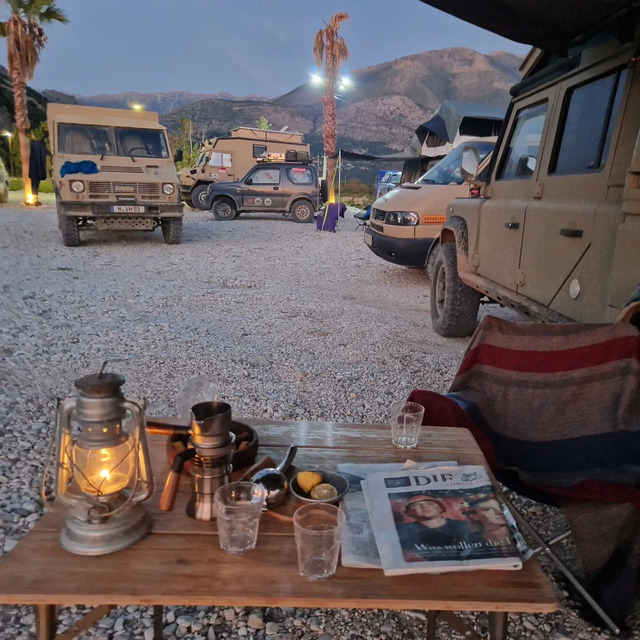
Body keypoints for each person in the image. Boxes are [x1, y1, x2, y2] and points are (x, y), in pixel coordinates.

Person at [396, 494, 474, 551]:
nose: (424, 507)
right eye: (416, 505)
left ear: (441, 508)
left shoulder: (461, 526)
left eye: (430, 504)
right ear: (409, 512)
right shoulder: (402, 530)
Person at [28, 135, 51, 206]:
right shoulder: (40, 146)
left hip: (34, 169)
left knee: (34, 184)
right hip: (37, 170)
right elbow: (46, 152)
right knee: (35, 184)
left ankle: (35, 199)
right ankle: (35, 200)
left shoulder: (34, 146)